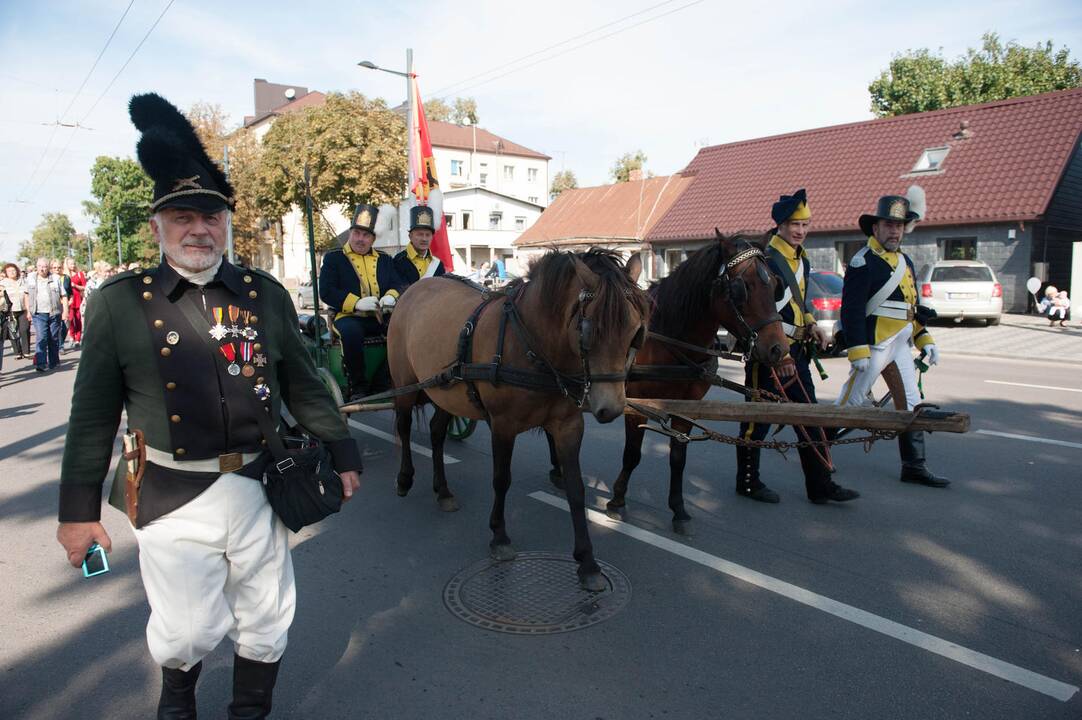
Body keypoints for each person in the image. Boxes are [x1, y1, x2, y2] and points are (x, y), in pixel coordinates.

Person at [55, 92, 363, 720]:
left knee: (268, 618)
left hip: (258, 480)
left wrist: (342, 447)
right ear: (157, 227)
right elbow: (91, 418)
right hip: (170, 493)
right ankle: (178, 706)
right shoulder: (119, 303)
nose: (199, 229)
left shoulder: (263, 294)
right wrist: (78, 512)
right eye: (182, 218)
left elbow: (302, 384)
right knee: (187, 632)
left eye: (211, 217)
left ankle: (249, 712)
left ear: (226, 222)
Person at [736, 189, 860, 504]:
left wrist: (812, 324)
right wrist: (784, 352)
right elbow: (765, 313)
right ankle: (747, 482)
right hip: (770, 355)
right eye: (794, 224)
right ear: (779, 225)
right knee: (756, 424)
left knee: (810, 421)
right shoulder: (767, 260)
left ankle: (820, 487)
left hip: (797, 354)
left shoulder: (799, 258)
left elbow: (797, 301)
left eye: (805, 224)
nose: (800, 230)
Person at [836, 189, 949, 488]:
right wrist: (857, 350)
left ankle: (914, 465)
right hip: (873, 345)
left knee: (911, 404)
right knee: (850, 404)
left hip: (899, 344)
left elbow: (910, 311)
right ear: (875, 227)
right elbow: (851, 311)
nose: (894, 231)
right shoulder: (863, 261)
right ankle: (817, 454)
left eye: (899, 226)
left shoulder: (905, 262)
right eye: (888, 225)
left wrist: (925, 340)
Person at [318, 203, 401, 399]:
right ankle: (359, 385)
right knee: (352, 332)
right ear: (350, 233)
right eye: (356, 233)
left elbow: (398, 284)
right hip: (347, 316)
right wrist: (356, 303)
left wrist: (390, 296)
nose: (360, 239)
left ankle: (382, 380)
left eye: (366, 235)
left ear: (373, 238)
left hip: (379, 317)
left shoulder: (385, 259)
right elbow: (327, 291)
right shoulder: (334, 258)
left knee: (402, 332)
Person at [24, 256, 68, 371]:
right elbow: (27, 295)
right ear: (36, 267)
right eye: (40, 266)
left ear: (48, 267)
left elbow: (63, 296)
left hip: (54, 312)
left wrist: (66, 311)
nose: (42, 269)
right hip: (38, 313)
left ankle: (54, 362)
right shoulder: (30, 278)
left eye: (45, 266)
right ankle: (41, 363)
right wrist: (28, 311)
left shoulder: (55, 278)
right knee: (41, 337)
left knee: (53, 338)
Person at [393, 205, 447, 287]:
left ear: (432, 237)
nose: (424, 239)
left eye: (428, 235)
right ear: (410, 236)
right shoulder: (398, 261)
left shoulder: (438, 264)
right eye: (420, 234)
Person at [1, 262, 30, 362]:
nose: (12, 272)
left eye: (13, 270)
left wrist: (28, 310)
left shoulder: (22, 281)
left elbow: (27, 295)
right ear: (6, 273)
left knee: (24, 329)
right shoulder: (3, 283)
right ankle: (17, 352)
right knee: (13, 331)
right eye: (9, 271)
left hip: (23, 309)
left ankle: (26, 351)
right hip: (10, 311)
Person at [63, 256, 86, 347]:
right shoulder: (65, 275)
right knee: (70, 319)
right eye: (71, 264)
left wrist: (75, 285)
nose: (73, 265)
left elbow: (84, 286)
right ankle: (72, 336)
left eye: (74, 263)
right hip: (69, 299)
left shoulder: (79, 274)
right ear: (67, 265)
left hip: (78, 299)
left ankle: (78, 338)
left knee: (78, 319)